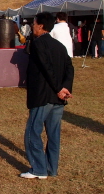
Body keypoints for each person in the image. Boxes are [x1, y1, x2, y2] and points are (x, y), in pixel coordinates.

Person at [21, 12, 74, 180]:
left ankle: (39, 169)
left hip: (43, 96)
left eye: (34, 24)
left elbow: (45, 68)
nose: (32, 26)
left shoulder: (39, 44)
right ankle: (52, 168)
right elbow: (69, 69)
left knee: (32, 132)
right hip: (58, 99)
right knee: (53, 134)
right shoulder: (59, 46)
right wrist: (65, 88)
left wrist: (60, 88)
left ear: (41, 26)